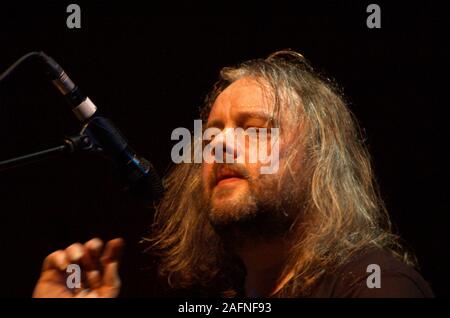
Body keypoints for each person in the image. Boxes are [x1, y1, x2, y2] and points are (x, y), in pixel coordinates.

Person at [33, 50, 433, 298]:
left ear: (318, 158)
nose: (221, 146)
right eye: (211, 136)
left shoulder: (376, 286)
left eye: (255, 129)